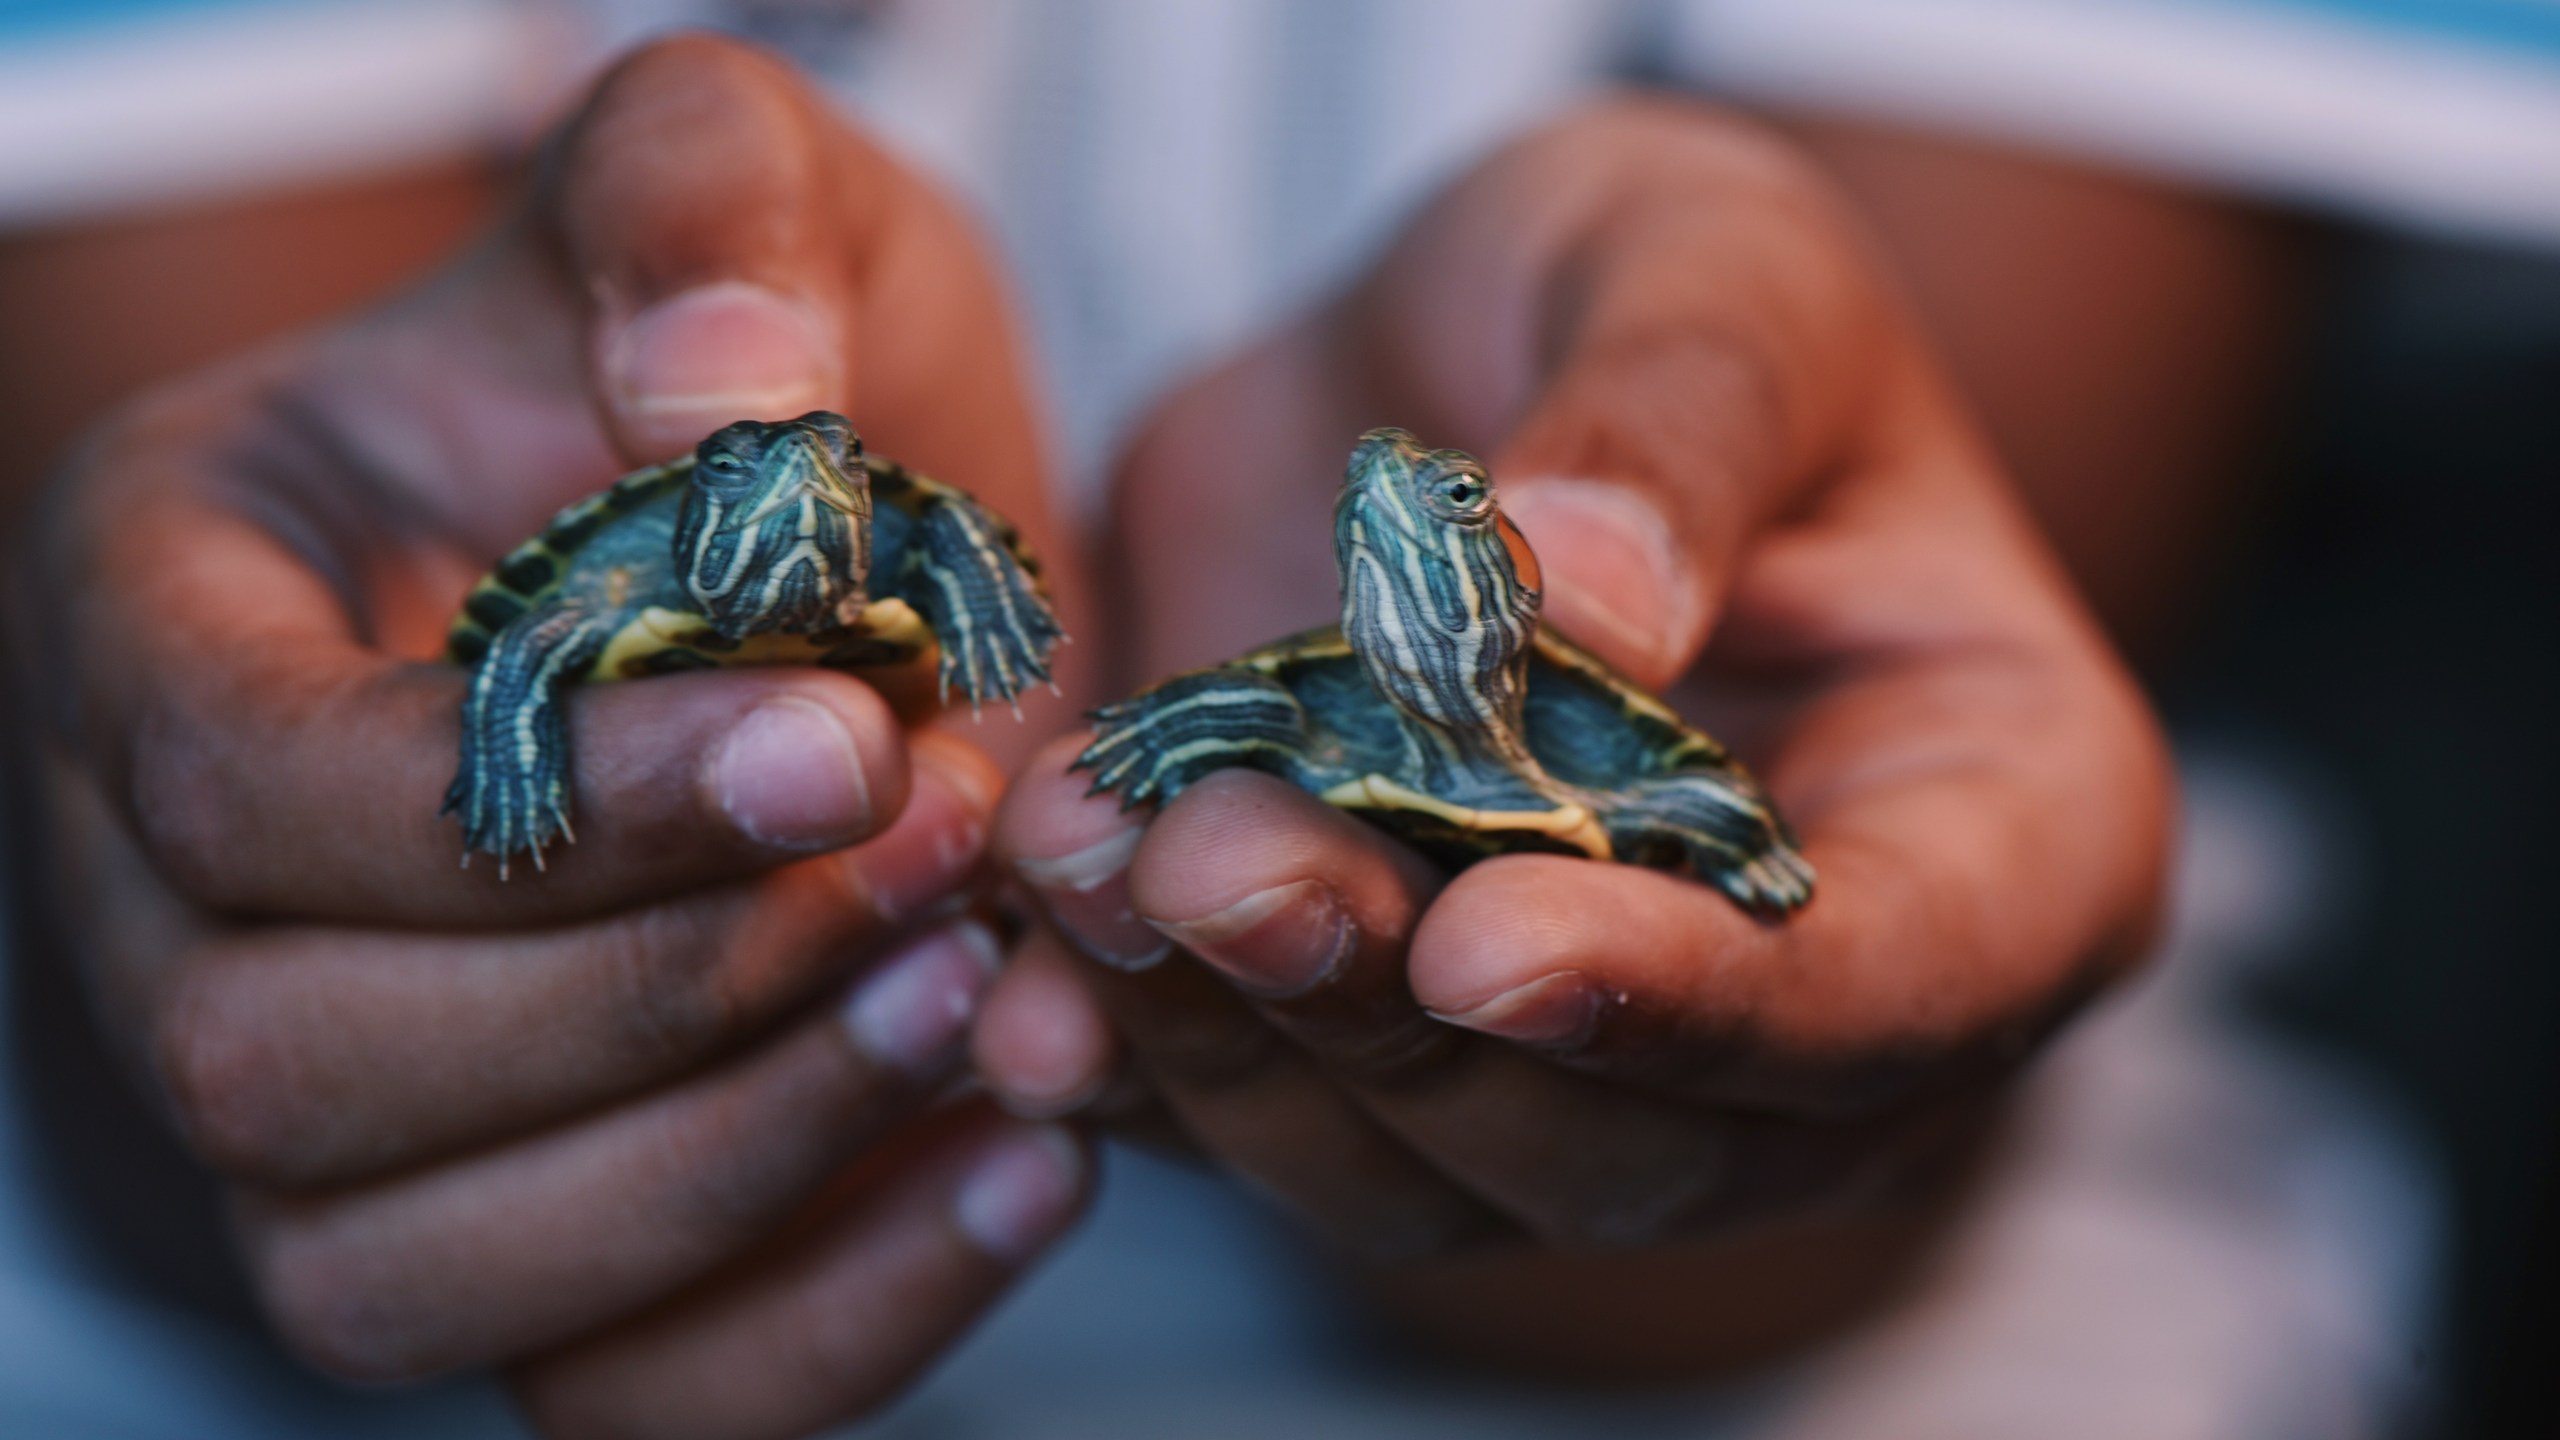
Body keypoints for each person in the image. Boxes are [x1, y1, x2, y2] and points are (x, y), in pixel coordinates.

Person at [10, 0, 2536, 1434]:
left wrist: (1752, 956)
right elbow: (223, 768)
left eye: (1436, 530)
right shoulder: (1180, 661)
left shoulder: (1429, 709)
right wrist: (287, 882)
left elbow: (1764, 939)